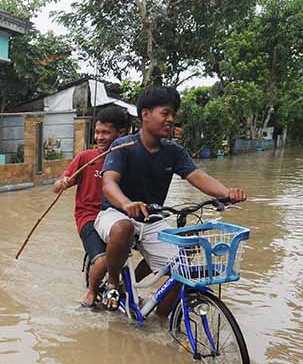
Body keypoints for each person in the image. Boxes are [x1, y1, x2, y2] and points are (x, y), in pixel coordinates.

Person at [96, 86, 247, 311]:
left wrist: (226, 193)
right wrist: (126, 203)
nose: (171, 120)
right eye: (165, 113)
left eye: (174, 115)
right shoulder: (124, 145)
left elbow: (197, 176)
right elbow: (109, 184)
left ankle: (160, 320)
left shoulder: (174, 152)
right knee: (123, 228)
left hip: (153, 220)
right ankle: (113, 284)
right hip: (115, 214)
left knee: (183, 270)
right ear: (145, 115)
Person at [53, 106, 131, 308]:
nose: (100, 137)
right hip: (88, 215)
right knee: (104, 260)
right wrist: (63, 182)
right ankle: (91, 291)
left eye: (106, 132)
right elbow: (58, 186)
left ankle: (121, 286)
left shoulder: (128, 159)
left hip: (117, 216)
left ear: (120, 134)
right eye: (97, 132)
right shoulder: (86, 158)